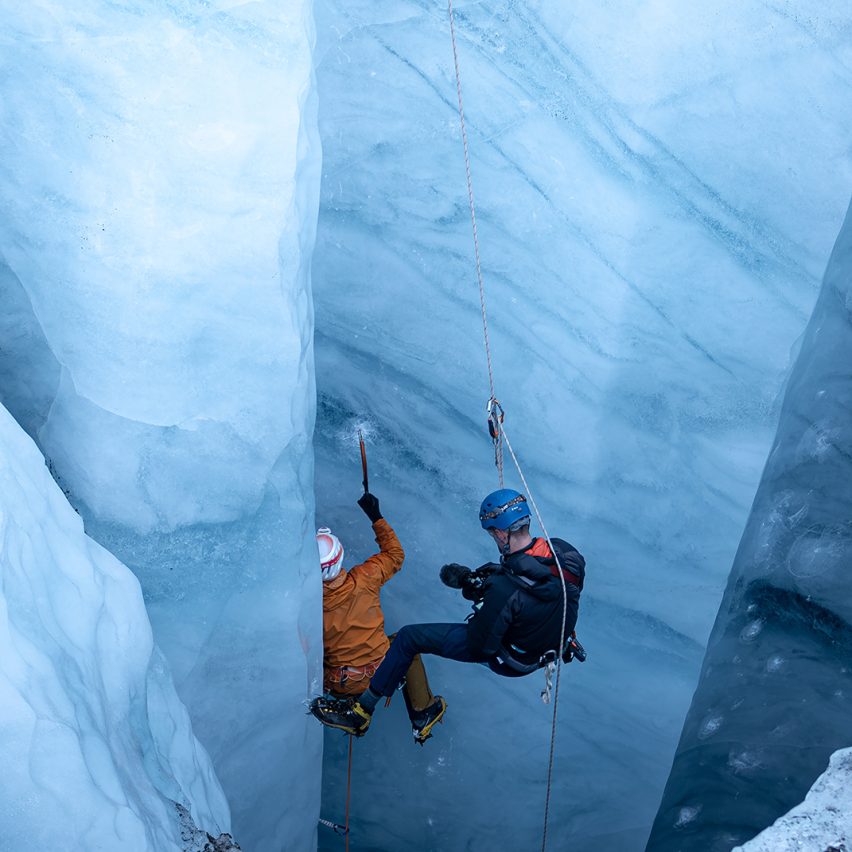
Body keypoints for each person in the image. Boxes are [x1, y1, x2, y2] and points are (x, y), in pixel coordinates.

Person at [311, 488, 585, 737]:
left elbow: (481, 647)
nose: (493, 537)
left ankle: (361, 713)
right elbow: (540, 586)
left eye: (491, 532)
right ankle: (422, 711)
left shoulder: (504, 592)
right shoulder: (563, 552)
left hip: (513, 658)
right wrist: (494, 579)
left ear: (501, 533)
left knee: (409, 638)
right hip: (554, 642)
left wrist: (486, 603)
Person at [309, 491, 447, 744]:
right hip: (384, 670)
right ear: (340, 557)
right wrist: (376, 516)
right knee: (408, 645)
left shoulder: (310, 606)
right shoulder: (366, 578)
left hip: (340, 684)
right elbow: (395, 554)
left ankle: (353, 712)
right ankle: (422, 714)